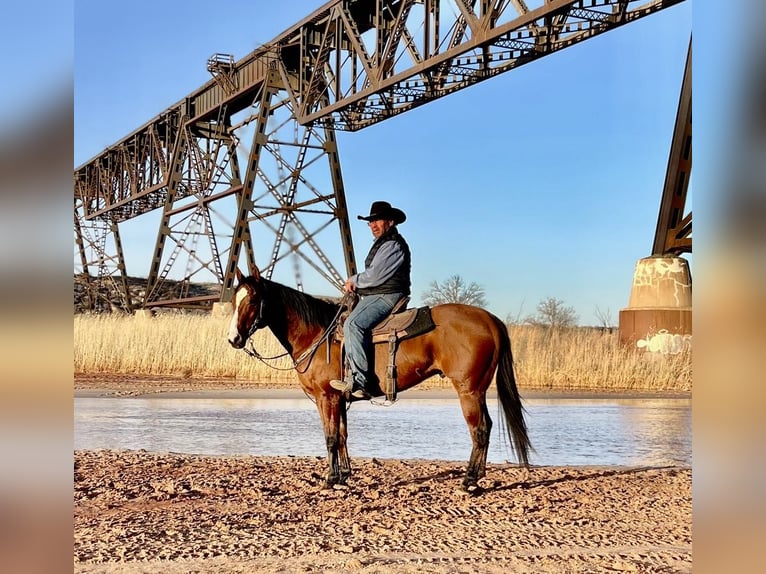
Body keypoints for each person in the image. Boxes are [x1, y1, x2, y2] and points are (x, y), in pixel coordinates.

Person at [330, 200, 411, 399]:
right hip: (378, 294)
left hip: (387, 295)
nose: (373, 225)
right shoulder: (383, 243)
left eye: (377, 221)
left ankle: (360, 380)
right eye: (370, 222)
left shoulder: (392, 245)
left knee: (352, 325)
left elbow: (375, 276)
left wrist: (354, 281)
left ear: (390, 222)